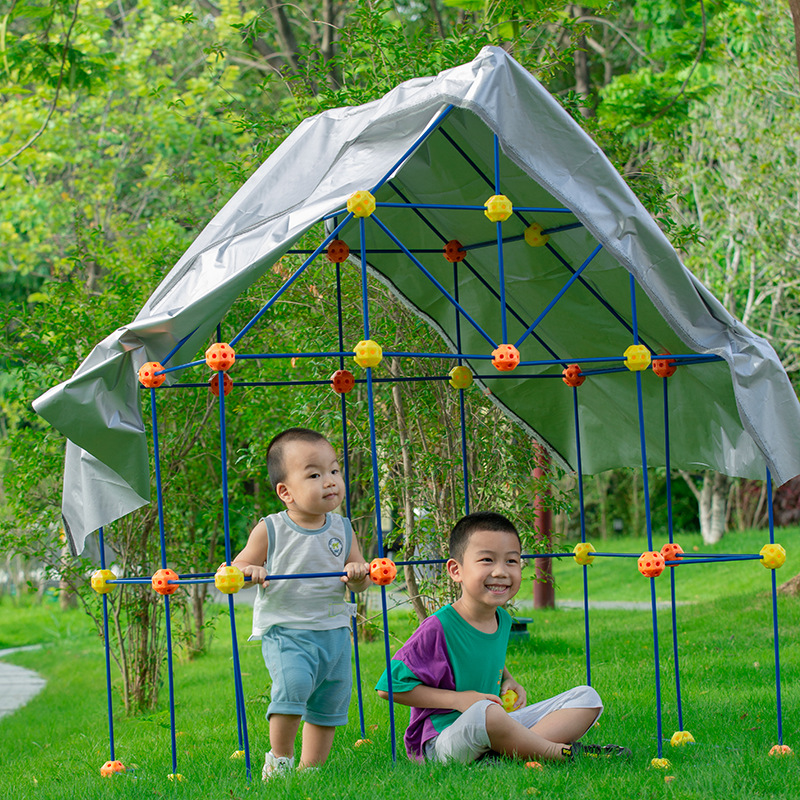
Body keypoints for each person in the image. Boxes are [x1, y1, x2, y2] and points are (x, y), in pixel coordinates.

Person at [376, 511, 630, 764]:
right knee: (488, 714)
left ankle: (505, 755)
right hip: (442, 741)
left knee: (587, 698)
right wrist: (459, 700)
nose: (500, 571)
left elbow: (482, 655)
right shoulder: (438, 627)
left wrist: (508, 679)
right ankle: (560, 753)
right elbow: (388, 687)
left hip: (491, 723)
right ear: (456, 570)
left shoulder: (502, 619)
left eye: (511, 561)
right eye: (487, 560)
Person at [232, 427, 370, 779]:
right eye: (314, 474)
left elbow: (361, 582)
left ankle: (311, 769)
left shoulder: (343, 528)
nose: (330, 481)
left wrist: (357, 574)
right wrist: (252, 570)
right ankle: (280, 760)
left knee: (330, 702)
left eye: (334, 471)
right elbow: (235, 570)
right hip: (288, 631)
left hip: (335, 632)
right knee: (292, 688)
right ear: (286, 492)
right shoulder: (271, 529)